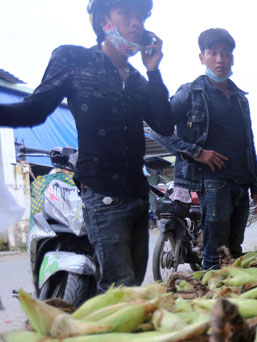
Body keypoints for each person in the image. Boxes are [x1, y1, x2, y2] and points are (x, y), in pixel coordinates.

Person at [0, 0, 173, 292]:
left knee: (129, 289)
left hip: (139, 197)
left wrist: (153, 70)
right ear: (104, 18)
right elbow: (35, 109)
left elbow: (165, 124)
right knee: (122, 291)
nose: (136, 24)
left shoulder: (139, 82)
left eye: (141, 17)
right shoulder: (75, 60)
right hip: (103, 195)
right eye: (126, 14)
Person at [152, 28, 257, 269]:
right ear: (202, 58)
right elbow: (158, 130)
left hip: (240, 183)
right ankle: (213, 300)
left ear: (232, 58)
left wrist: (256, 186)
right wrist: (196, 152)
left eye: (226, 53)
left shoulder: (240, 99)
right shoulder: (190, 92)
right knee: (215, 253)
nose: (220, 59)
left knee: (234, 251)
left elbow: (248, 143)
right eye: (213, 53)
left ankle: (230, 301)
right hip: (213, 183)